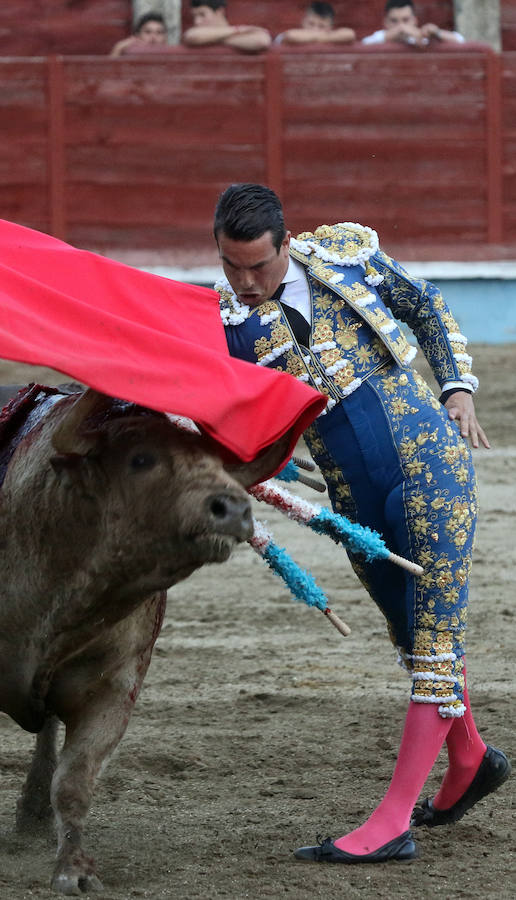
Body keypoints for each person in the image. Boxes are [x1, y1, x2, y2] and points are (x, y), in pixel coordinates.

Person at [213, 183, 511, 863]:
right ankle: (469, 758)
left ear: (286, 246)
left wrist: (457, 386)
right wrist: (268, 459)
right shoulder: (228, 325)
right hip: (356, 502)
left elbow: (426, 306)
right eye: (232, 267)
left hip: (430, 468)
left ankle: (392, 824)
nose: (247, 281)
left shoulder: (343, 257)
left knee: (434, 644)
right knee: (412, 636)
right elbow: (232, 414)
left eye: (258, 266)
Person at [362, 0, 465, 47]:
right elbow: (364, 45)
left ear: (414, 20)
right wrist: (401, 29)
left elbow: (460, 40)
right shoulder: (380, 37)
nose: (400, 25)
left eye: (405, 20)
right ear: (386, 22)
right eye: (394, 21)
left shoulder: (423, 37)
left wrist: (436, 32)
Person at [183, 0, 272, 54]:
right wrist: (241, 30)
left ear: (220, 12)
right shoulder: (239, 32)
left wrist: (210, 39)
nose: (197, 21)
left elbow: (261, 41)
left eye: (202, 14)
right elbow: (192, 36)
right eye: (194, 16)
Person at [275, 2, 356, 46]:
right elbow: (291, 36)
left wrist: (314, 37)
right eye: (311, 23)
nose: (315, 29)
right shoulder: (289, 35)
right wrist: (323, 36)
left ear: (330, 27)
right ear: (303, 21)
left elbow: (349, 34)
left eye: (322, 26)